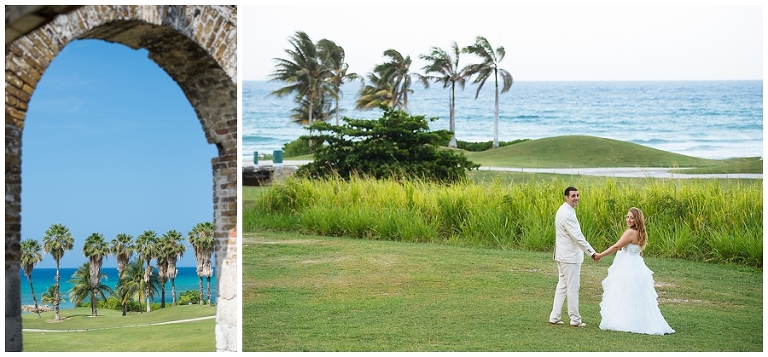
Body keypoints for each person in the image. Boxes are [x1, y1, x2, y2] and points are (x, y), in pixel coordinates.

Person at [593, 207, 675, 335]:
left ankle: (625, 321)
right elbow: (639, 252)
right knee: (635, 294)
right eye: (627, 217)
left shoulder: (630, 233)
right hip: (637, 265)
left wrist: (600, 255)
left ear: (637, 219)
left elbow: (616, 246)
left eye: (632, 217)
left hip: (628, 265)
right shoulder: (641, 233)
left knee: (625, 292)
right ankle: (635, 320)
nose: (629, 220)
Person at [549, 186, 598, 327]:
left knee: (563, 286)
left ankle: (554, 316)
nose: (576, 198)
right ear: (566, 197)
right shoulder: (567, 214)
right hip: (569, 257)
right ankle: (575, 319)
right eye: (573, 196)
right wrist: (592, 252)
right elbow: (577, 237)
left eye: (577, 195)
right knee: (572, 287)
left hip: (563, 255)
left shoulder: (564, 210)